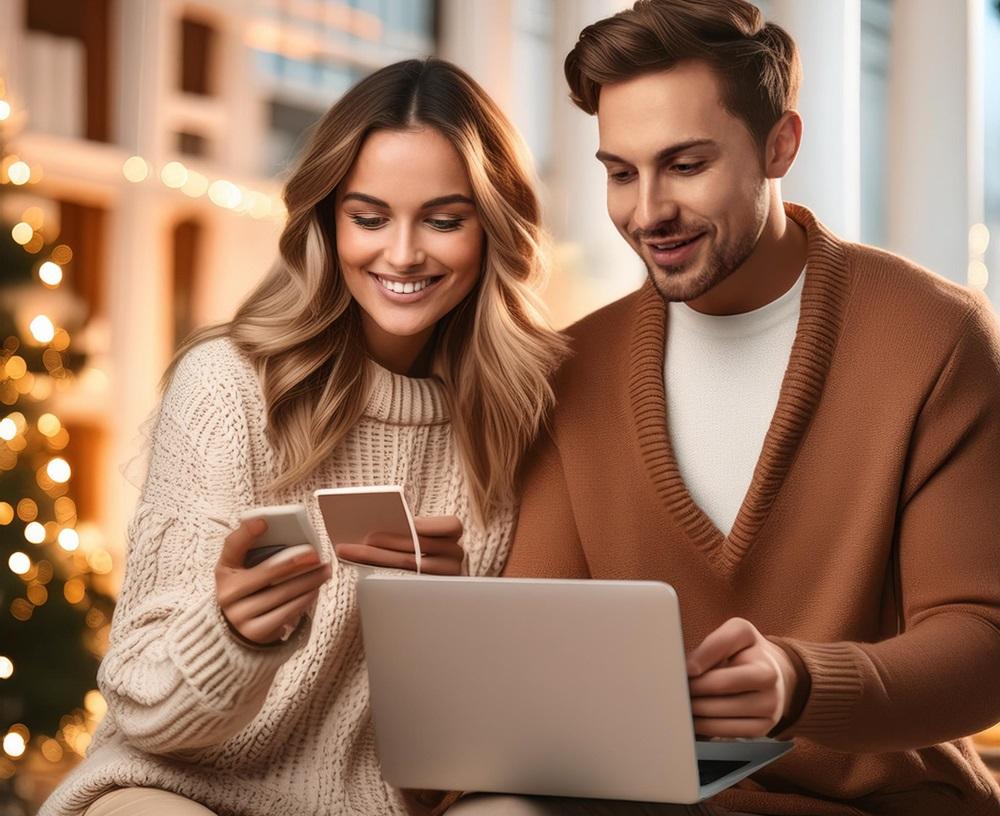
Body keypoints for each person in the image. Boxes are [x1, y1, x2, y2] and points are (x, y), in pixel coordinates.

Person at [459, 1, 1000, 815]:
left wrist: (801, 682)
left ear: (780, 144)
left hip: (880, 801)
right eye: (620, 172)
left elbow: (983, 646)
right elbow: (547, 650)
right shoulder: (569, 372)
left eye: (685, 164)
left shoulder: (935, 336)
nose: (646, 213)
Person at [40, 58, 566, 816]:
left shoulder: (514, 414)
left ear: (494, 228)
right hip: (178, 788)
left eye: (444, 220)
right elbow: (141, 705)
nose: (404, 254)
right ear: (327, 219)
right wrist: (232, 635)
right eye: (370, 217)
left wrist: (448, 618)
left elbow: (468, 740)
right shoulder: (228, 385)